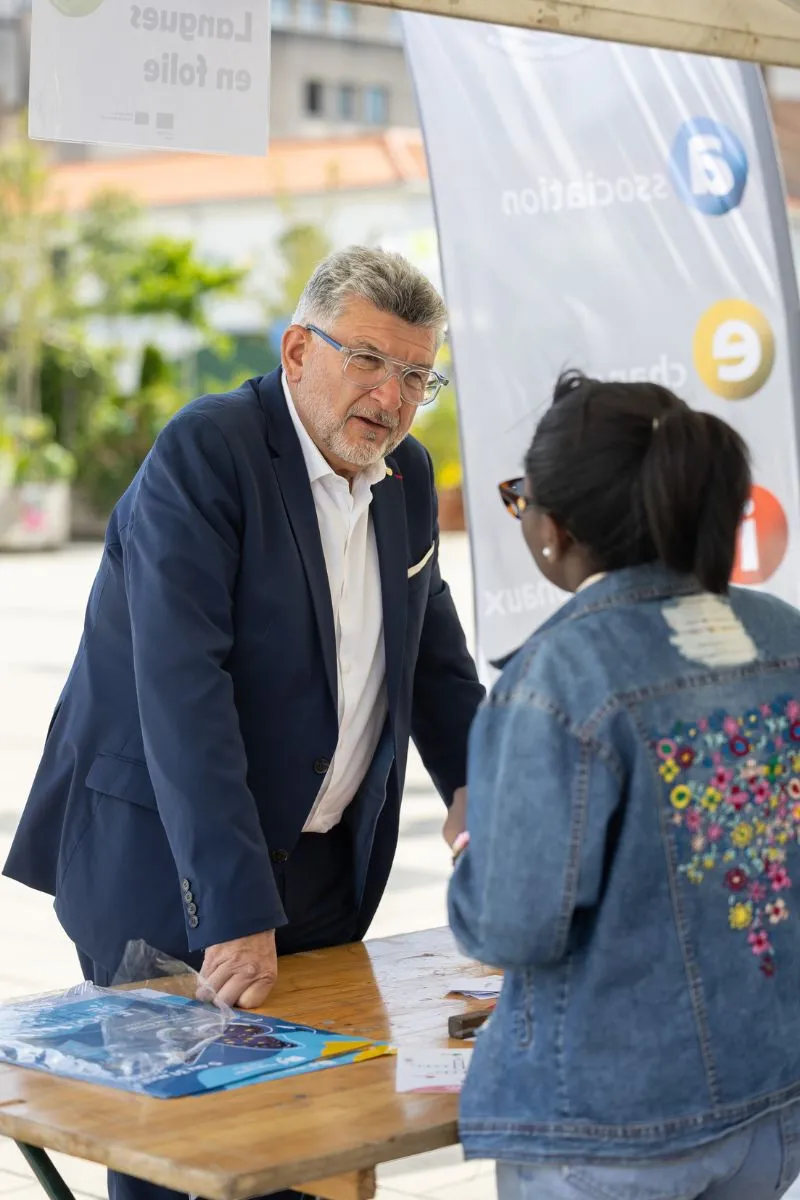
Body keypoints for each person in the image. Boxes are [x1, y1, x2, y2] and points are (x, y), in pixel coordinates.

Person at [3, 246, 484, 1200]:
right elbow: (183, 691)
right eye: (369, 363)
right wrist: (231, 909)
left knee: (311, 1143)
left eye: (417, 378)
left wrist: (480, 784)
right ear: (298, 349)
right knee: (182, 1157)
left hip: (319, 871)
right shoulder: (207, 451)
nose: (391, 399)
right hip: (171, 870)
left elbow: (434, 661)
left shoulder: (409, 473)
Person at [446, 370, 800, 1200]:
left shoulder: (557, 674)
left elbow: (511, 926)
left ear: (554, 528)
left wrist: (473, 839)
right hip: (771, 1103)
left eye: (520, 498)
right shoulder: (784, 637)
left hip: (610, 1124)